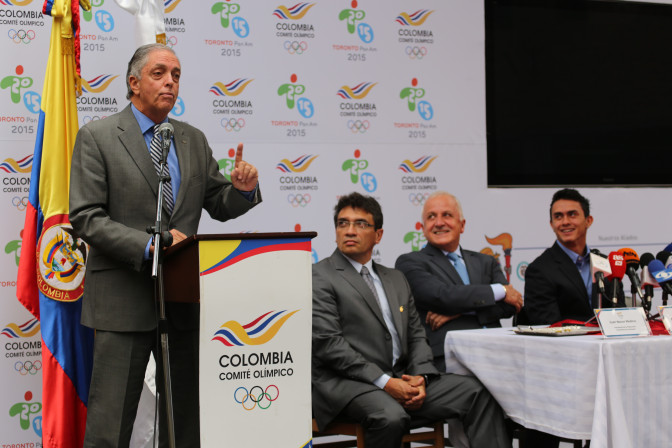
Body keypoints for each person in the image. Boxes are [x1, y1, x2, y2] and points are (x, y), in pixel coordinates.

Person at [69, 43, 261, 447]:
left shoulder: (192, 139)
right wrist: (150, 245)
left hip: (182, 301)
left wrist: (242, 190)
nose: (170, 82)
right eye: (159, 73)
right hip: (123, 299)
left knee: (186, 424)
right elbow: (86, 216)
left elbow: (219, 203)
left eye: (176, 75)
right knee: (109, 428)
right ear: (134, 83)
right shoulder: (98, 137)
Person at [311, 192, 511, 448]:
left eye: (360, 224)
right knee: (390, 417)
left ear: (378, 235)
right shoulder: (320, 275)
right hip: (350, 385)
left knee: (477, 392)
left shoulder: (395, 278)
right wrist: (386, 383)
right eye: (343, 223)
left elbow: (416, 336)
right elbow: (329, 344)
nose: (350, 230)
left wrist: (421, 378)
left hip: (402, 380)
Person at [395, 191, 522, 370]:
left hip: (498, 352)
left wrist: (457, 313)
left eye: (447, 215)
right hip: (448, 359)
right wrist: (501, 291)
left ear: (462, 225)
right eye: (431, 217)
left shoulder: (486, 261)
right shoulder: (410, 262)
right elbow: (441, 296)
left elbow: (511, 306)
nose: (439, 222)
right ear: (423, 228)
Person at [523, 188, 621, 326]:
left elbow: (620, 315)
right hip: (567, 340)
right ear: (552, 224)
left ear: (588, 220)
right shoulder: (539, 270)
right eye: (558, 217)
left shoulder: (606, 263)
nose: (565, 222)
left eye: (572, 214)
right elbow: (548, 326)